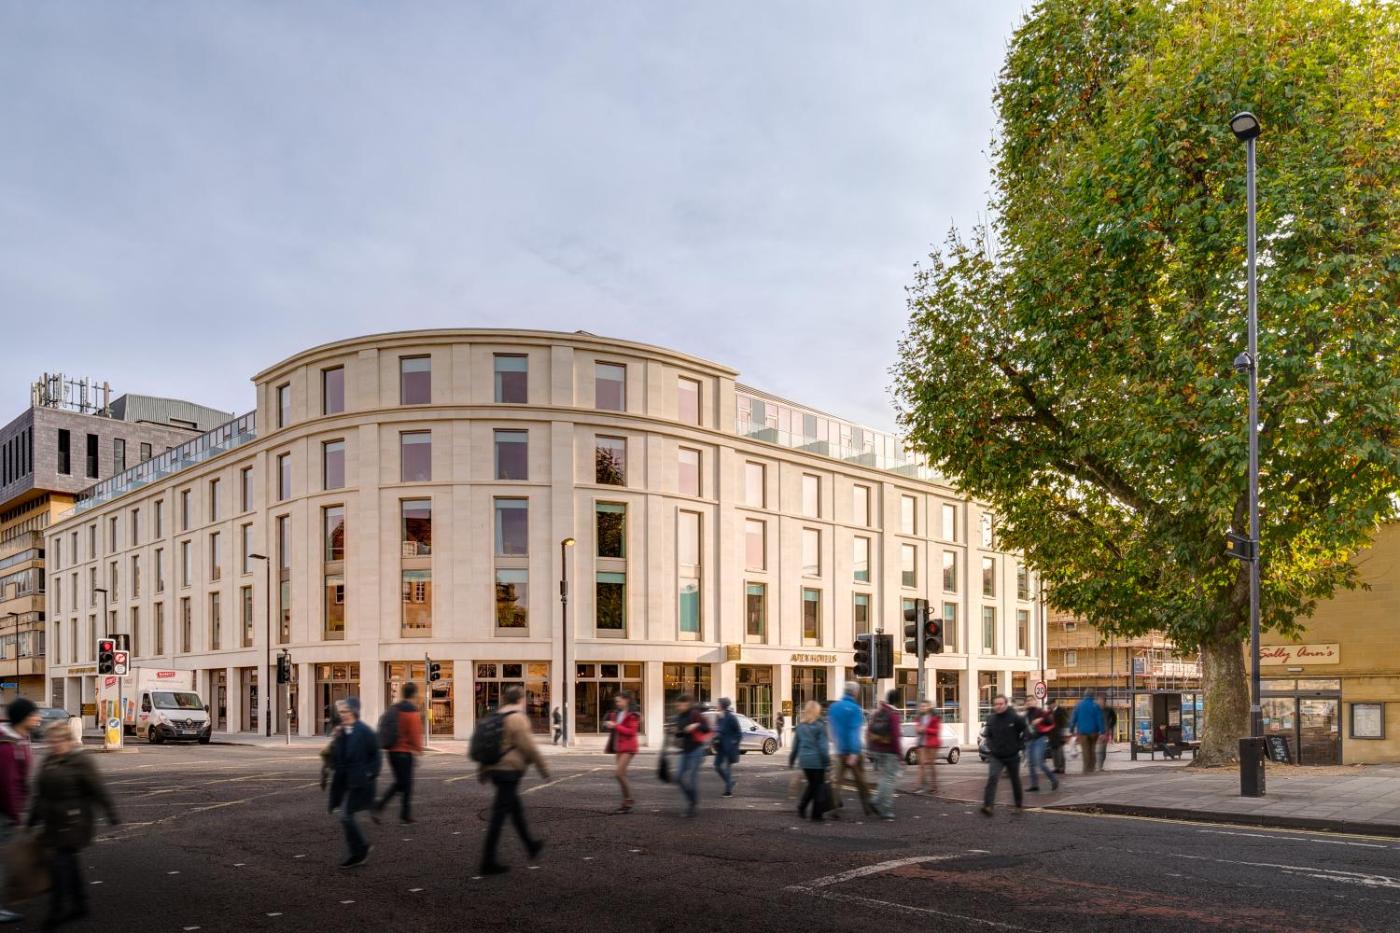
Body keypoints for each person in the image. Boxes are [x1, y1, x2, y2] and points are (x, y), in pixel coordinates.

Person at [28, 720, 118, 930]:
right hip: (53, 822)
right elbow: (40, 793)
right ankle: (80, 904)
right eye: (52, 741)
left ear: (68, 739)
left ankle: (56, 911)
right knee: (68, 863)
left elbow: (98, 789)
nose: (54, 744)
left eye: (58, 740)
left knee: (60, 864)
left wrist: (111, 813)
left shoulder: (80, 761)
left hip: (74, 821)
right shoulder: (49, 760)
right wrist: (33, 818)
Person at [478, 686, 549, 875]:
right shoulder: (517, 718)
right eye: (524, 699)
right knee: (499, 815)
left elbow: (488, 743)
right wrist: (544, 769)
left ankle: (530, 845)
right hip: (508, 771)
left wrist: (483, 769)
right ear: (520, 700)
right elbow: (529, 747)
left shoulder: (496, 716)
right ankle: (488, 861)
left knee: (515, 810)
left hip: (495, 769)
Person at [0, 698, 40, 924]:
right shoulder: (8, 746)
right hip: (4, 813)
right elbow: (8, 785)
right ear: (23, 717)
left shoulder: (20, 739)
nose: (38, 718)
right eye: (34, 714)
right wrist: (17, 815)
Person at [327, 697, 380, 869]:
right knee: (345, 815)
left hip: (359, 781)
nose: (342, 715)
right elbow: (336, 758)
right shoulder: (342, 732)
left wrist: (368, 773)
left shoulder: (365, 731)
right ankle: (360, 848)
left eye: (346, 711)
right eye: (341, 712)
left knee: (345, 815)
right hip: (346, 781)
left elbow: (376, 756)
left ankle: (360, 850)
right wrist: (335, 741)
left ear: (354, 712)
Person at [373, 683, 424, 825]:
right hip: (404, 752)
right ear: (414, 694)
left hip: (392, 752)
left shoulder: (394, 708)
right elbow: (415, 733)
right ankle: (383, 807)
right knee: (404, 784)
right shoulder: (411, 711)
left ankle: (402, 814)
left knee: (402, 783)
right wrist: (418, 749)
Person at [828, 682, 874, 817]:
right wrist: (853, 752)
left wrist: (836, 743)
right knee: (861, 782)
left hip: (839, 750)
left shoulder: (834, 707)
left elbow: (830, 729)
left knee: (837, 782)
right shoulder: (855, 709)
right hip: (853, 751)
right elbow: (854, 731)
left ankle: (834, 808)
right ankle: (868, 807)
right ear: (855, 692)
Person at [981, 694, 1030, 816]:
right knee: (992, 777)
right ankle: (988, 806)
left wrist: (1020, 746)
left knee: (1015, 780)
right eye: (996, 704)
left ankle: (1018, 806)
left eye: (1001, 704)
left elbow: (1026, 730)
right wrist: (991, 747)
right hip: (996, 756)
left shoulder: (1015, 717)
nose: (998, 706)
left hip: (1012, 755)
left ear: (1006, 704)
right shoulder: (991, 718)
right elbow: (988, 735)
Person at [788, 700, 832, 821]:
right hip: (817, 762)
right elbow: (823, 747)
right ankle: (816, 814)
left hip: (805, 761)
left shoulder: (800, 727)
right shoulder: (820, 726)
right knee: (818, 787)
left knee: (813, 785)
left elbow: (795, 746)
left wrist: (792, 760)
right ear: (817, 711)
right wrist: (827, 763)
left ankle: (802, 807)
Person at [671, 694, 710, 818]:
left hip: (696, 749)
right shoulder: (680, 716)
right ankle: (692, 799)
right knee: (678, 777)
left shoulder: (695, 714)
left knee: (692, 778)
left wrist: (696, 725)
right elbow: (680, 733)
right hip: (685, 750)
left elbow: (707, 728)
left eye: (680, 705)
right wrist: (676, 732)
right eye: (677, 705)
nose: (678, 707)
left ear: (687, 703)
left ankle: (692, 806)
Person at [866, 690, 903, 821]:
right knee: (889, 780)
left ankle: (876, 800)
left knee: (884, 778)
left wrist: (871, 748)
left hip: (878, 748)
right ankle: (885, 809)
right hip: (890, 750)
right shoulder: (894, 714)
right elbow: (895, 736)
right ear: (898, 700)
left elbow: (869, 729)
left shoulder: (880, 711)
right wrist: (899, 754)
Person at [603, 691, 639, 812]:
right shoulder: (617, 713)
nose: (617, 703)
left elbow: (631, 732)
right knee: (621, 775)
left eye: (619, 701)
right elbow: (614, 727)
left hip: (628, 747)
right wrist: (608, 724)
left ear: (626, 700)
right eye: (616, 701)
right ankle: (627, 801)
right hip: (619, 747)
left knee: (619, 774)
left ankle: (628, 800)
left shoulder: (633, 715)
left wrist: (615, 725)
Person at [1024, 700, 1059, 792]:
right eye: (1027, 701)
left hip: (1039, 739)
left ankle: (1054, 780)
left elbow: (1051, 721)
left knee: (1039, 762)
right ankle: (1034, 785)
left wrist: (1041, 719)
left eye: (1031, 701)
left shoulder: (1040, 712)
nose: (1029, 703)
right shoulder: (1026, 715)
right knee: (1031, 764)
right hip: (1029, 740)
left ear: (1035, 702)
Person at [713, 698, 742, 798]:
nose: (717, 705)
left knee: (727, 767)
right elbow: (718, 730)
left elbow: (738, 733)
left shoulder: (731, 717)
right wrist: (716, 737)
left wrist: (734, 743)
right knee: (717, 766)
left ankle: (728, 791)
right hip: (720, 746)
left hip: (729, 747)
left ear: (722, 705)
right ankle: (730, 782)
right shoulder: (719, 717)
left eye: (718, 704)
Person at [1071, 692, 1105, 774]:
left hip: (1082, 732)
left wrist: (1071, 729)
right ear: (1092, 696)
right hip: (1094, 732)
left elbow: (1074, 718)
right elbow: (1100, 719)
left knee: (1085, 751)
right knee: (1092, 750)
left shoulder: (1079, 705)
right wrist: (1102, 732)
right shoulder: (1095, 706)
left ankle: (1086, 769)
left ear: (1084, 695)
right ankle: (1092, 768)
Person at [913, 700, 942, 795]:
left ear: (929, 707)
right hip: (921, 743)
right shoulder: (919, 717)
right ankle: (920, 787)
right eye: (921, 706)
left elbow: (936, 731)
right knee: (921, 765)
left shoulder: (935, 717)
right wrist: (918, 729)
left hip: (932, 744)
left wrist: (925, 729)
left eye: (924, 706)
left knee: (931, 765)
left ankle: (934, 787)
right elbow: (917, 729)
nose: (922, 708)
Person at [1049, 699, 1070, 774]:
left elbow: (1065, 723)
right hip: (1052, 735)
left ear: (1054, 703)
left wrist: (1064, 734)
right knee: (1054, 752)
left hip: (1060, 734)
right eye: (1049, 704)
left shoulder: (1061, 710)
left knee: (1060, 752)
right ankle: (1056, 767)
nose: (1050, 706)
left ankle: (1062, 768)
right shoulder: (1049, 711)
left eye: (1050, 704)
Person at [1098, 703, 1119, 770]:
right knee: (1095, 749)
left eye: (1102, 701)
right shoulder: (1095, 709)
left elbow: (1114, 719)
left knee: (1102, 749)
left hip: (1105, 732)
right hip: (1095, 732)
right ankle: (1095, 765)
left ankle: (1100, 765)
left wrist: (1110, 726)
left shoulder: (1109, 710)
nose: (1101, 702)